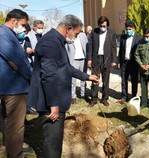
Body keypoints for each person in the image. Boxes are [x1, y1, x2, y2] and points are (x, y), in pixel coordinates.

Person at [27, 15, 99, 157]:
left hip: (55, 99)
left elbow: (66, 68)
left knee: (55, 141)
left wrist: (87, 77)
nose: (76, 36)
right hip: (50, 102)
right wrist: (53, 104)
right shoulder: (50, 43)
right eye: (77, 33)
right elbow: (48, 76)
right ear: (69, 29)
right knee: (52, 144)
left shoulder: (57, 41)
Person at [0, 9, 32, 158]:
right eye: (23, 24)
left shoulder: (8, 34)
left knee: (9, 122)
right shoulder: (3, 34)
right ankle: (15, 154)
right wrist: (31, 77)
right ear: (14, 21)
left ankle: (11, 147)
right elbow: (18, 61)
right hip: (13, 88)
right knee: (15, 125)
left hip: (10, 86)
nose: (24, 29)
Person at [87, 16, 117, 107]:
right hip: (96, 58)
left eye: (104, 25)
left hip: (107, 59)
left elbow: (114, 47)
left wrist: (114, 60)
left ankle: (104, 99)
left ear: (107, 24)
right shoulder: (94, 32)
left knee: (106, 80)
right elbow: (90, 46)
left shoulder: (112, 33)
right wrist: (89, 59)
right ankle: (94, 98)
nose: (102, 27)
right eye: (101, 25)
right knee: (95, 79)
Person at [118, 20, 142, 104]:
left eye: (130, 29)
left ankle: (133, 96)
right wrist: (119, 62)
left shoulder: (138, 38)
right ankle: (124, 97)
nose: (128, 30)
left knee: (134, 81)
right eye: (127, 29)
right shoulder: (123, 38)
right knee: (124, 80)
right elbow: (121, 50)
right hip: (124, 62)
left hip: (133, 63)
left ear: (134, 29)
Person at [134, 28, 149, 112]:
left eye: (147, 36)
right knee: (143, 88)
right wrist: (141, 64)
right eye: (144, 36)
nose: (145, 38)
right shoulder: (140, 43)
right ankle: (144, 103)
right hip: (142, 70)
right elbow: (136, 54)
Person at [66, 32, 88, 104]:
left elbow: (87, 46)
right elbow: (66, 48)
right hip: (73, 60)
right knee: (73, 80)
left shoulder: (83, 35)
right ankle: (73, 96)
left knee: (83, 78)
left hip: (83, 59)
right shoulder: (69, 36)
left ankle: (83, 94)